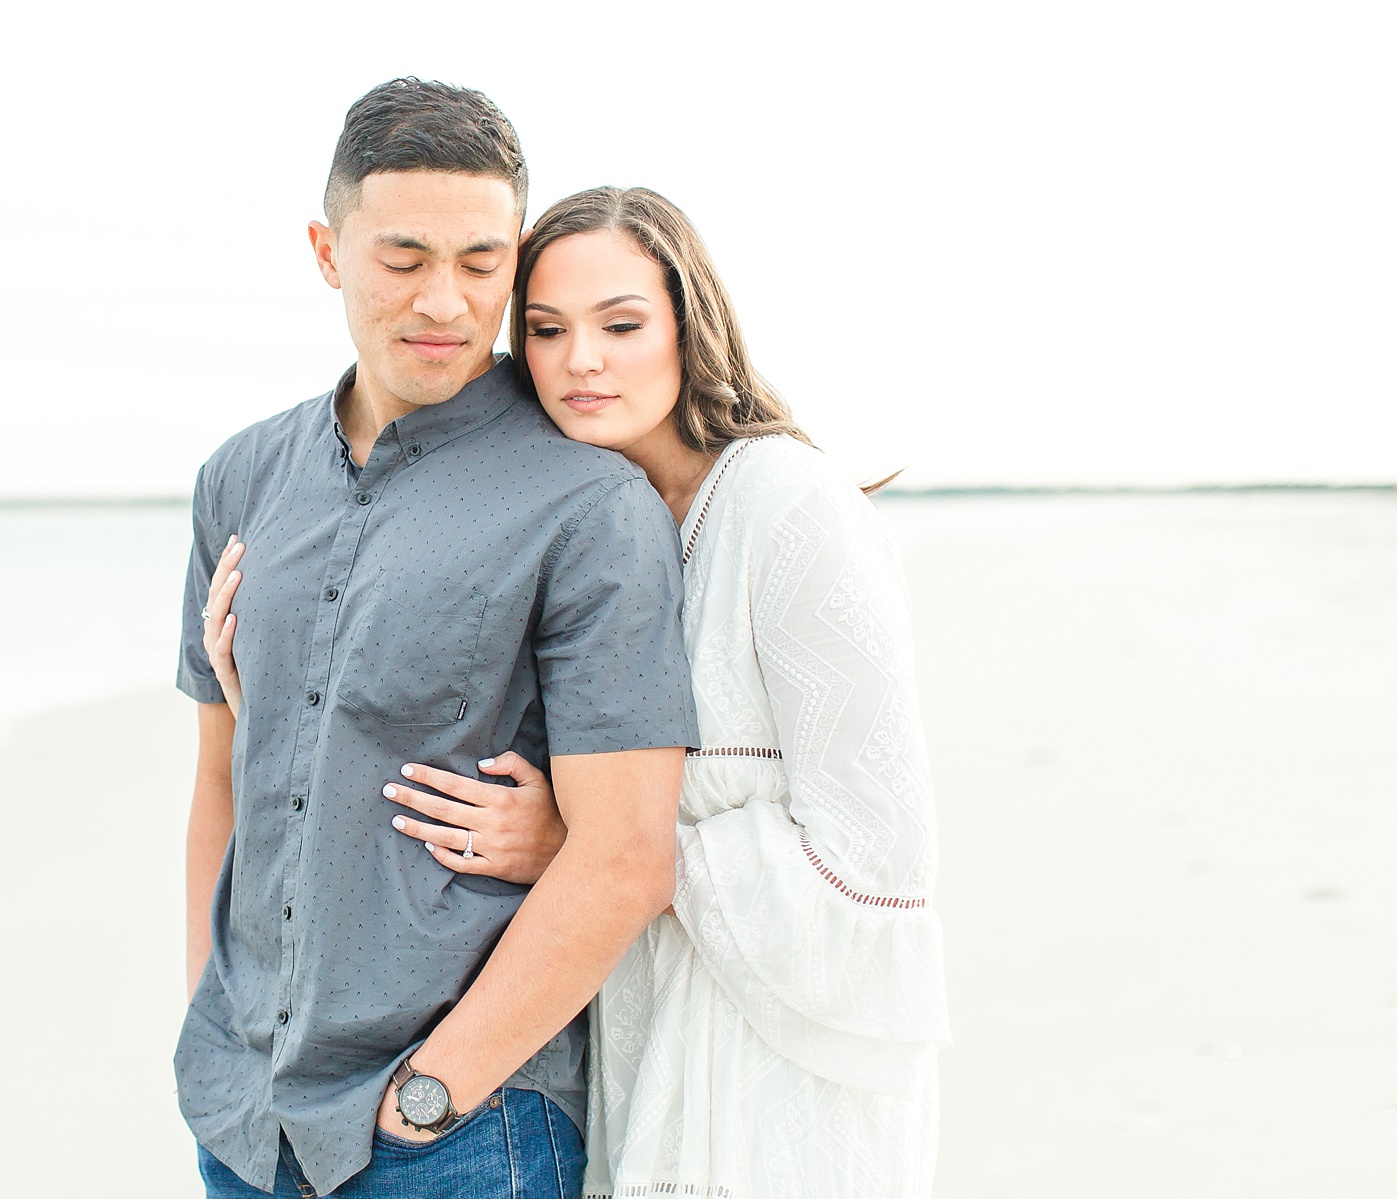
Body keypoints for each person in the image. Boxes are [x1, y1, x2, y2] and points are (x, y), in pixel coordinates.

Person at [207, 186, 952, 1196]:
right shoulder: (602, 516)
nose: (581, 361)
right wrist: (271, 676)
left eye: (622, 324)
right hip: (638, 1045)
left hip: (777, 1070)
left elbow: (878, 869)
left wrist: (594, 848)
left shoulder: (790, 508)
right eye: (548, 330)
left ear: (692, 324)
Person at [174, 84, 700, 1199]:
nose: (444, 301)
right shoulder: (242, 478)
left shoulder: (589, 503)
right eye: (403, 256)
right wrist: (206, 1013)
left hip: (456, 1132)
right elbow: (225, 775)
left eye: (479, 261)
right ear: (328, 250)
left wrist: (435, 1094)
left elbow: (626, 853)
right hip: (242, 1115)